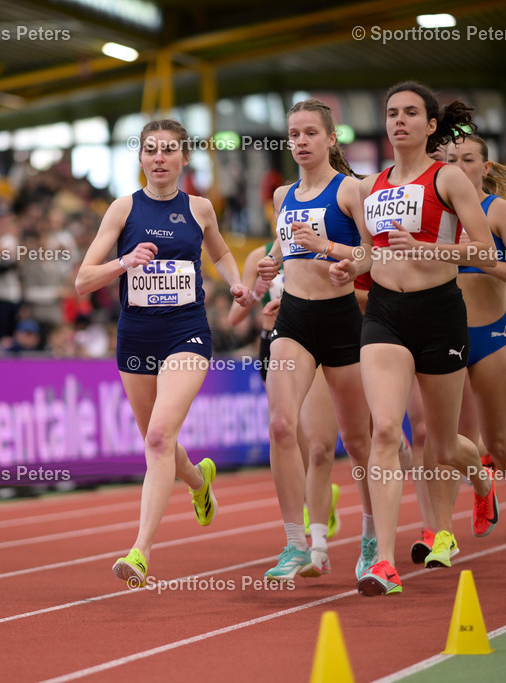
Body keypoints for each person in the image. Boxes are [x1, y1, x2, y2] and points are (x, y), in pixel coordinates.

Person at [329, 81, 498, 596]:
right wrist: (349, 266)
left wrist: (430, 250)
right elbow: (368, 251)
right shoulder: (369, 185)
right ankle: (382, 561)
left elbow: (486, 253)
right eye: (391, 113)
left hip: (439, 313)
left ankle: (482, 478)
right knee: (386, 432)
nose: (398, 121)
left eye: (409, 113)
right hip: (384, 316)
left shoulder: (447, 178)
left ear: (430, 126)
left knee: (440, 446)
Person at [74, 119, 250, 584]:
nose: (158, 157)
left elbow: (221, 254)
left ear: (183, 158)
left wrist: (235, 282)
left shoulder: (200, 209)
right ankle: (198, 481)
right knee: (159, 442)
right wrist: (123, 263)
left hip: (186, 332)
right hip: (136, 336)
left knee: (157, 438)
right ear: (140, 158)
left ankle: (139, 552)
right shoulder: (122, 209)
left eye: (168, 150)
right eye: (150, 149)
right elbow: (82, 280)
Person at [252, 99, 371, 581]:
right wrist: (269, 266)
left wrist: (332, 250)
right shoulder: (282, 196)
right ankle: (295, 544)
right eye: (294, 134)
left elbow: (373, 254)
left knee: (359, 442)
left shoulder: (352, 191)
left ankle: (371, 533)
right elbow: (282, 248)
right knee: (282, 426)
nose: (300, 142)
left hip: (344, 321)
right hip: (295, 320)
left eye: (309, 133)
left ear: (330, 139)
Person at [229, 238, 350, 579]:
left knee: (320, 446)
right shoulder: (260, 256)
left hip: (317, 342)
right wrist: (255, 289)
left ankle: (318, 546)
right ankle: (314, 510)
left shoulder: (324, 244)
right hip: (274, 346)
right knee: (288, 437)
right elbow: (234, 316)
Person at [448, 135, 506, 548]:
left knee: (497, 439)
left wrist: (485, 258)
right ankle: (482, 487)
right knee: (442, 438)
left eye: (468, 159)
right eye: (451, 159)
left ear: (485, 168)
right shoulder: (435, 213)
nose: (460, 166)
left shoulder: (498, 211)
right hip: (445, 336)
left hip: (494, 337)